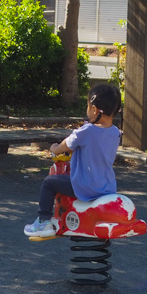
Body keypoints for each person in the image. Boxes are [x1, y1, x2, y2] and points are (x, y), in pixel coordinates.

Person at [24, 83, 122, 237]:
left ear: (94, 110)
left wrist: (54, 148)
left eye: (87, 106)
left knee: (49, 183)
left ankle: (43, 222)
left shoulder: (86, 131)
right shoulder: (116, 133)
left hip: (86, 187)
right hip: (107, 187)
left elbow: (67, 144)